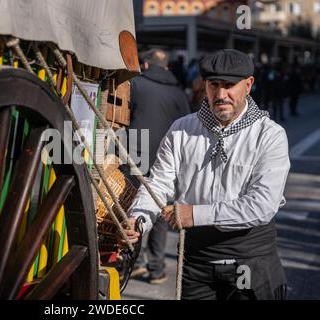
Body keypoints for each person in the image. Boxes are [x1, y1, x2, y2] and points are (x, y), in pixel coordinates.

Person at [124, 49, 290, 300]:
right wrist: (139, 218)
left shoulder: (269, 135)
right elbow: (158, 182)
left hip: (249, 261)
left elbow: (262, 205)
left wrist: (195, 214)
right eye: (214, 85)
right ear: (205, 85)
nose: (221, 95)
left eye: (229, 85)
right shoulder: (182, 129)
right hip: (196, 263)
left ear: (248, 85)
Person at [122, 48, 191, 284]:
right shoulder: (179, 92)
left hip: (136, 154)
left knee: (134, 205)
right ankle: (157, 268)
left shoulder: (136, 84)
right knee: (161, 213)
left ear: (146, 65)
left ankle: (135, 261)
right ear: (168, 68)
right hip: (168, 160)